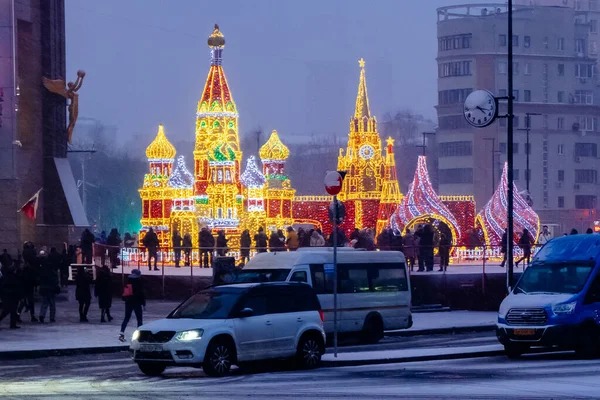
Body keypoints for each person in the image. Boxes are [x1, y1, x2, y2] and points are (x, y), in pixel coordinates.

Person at [119, 269, 145, 342]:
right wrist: (143, 303)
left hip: (128, 302)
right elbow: (141, 293)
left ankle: (121, 333)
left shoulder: (127, 280)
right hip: (137, 302)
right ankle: (140, 335)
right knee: (139, 319)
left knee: (126, 318)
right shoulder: (138, 282)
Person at [38, 249, 60, 323]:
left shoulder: (43, 269)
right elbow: (55, 280)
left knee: (44, 303)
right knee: (52, 304)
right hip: (51, 288)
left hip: (44, 288)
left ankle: (42, 315)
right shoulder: (53, 270)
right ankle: (52, 317)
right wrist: (56, 286)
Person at [0, 263, 21, 329]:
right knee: (11, 311)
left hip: (7, 296)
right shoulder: (14, 277)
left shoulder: (5, 277)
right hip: (12, 296)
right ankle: (12, 324)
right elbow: (16, 287)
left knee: (8, 310)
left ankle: (13, 324)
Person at [18, 257, 38, 322]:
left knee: (22, 303)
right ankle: (32, 316)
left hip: (24, 288)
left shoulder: (22, 271)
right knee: (30, 303)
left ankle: (18, 316)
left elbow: (20, 279)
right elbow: (34, 280)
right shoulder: (32, 270)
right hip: (29, 288)